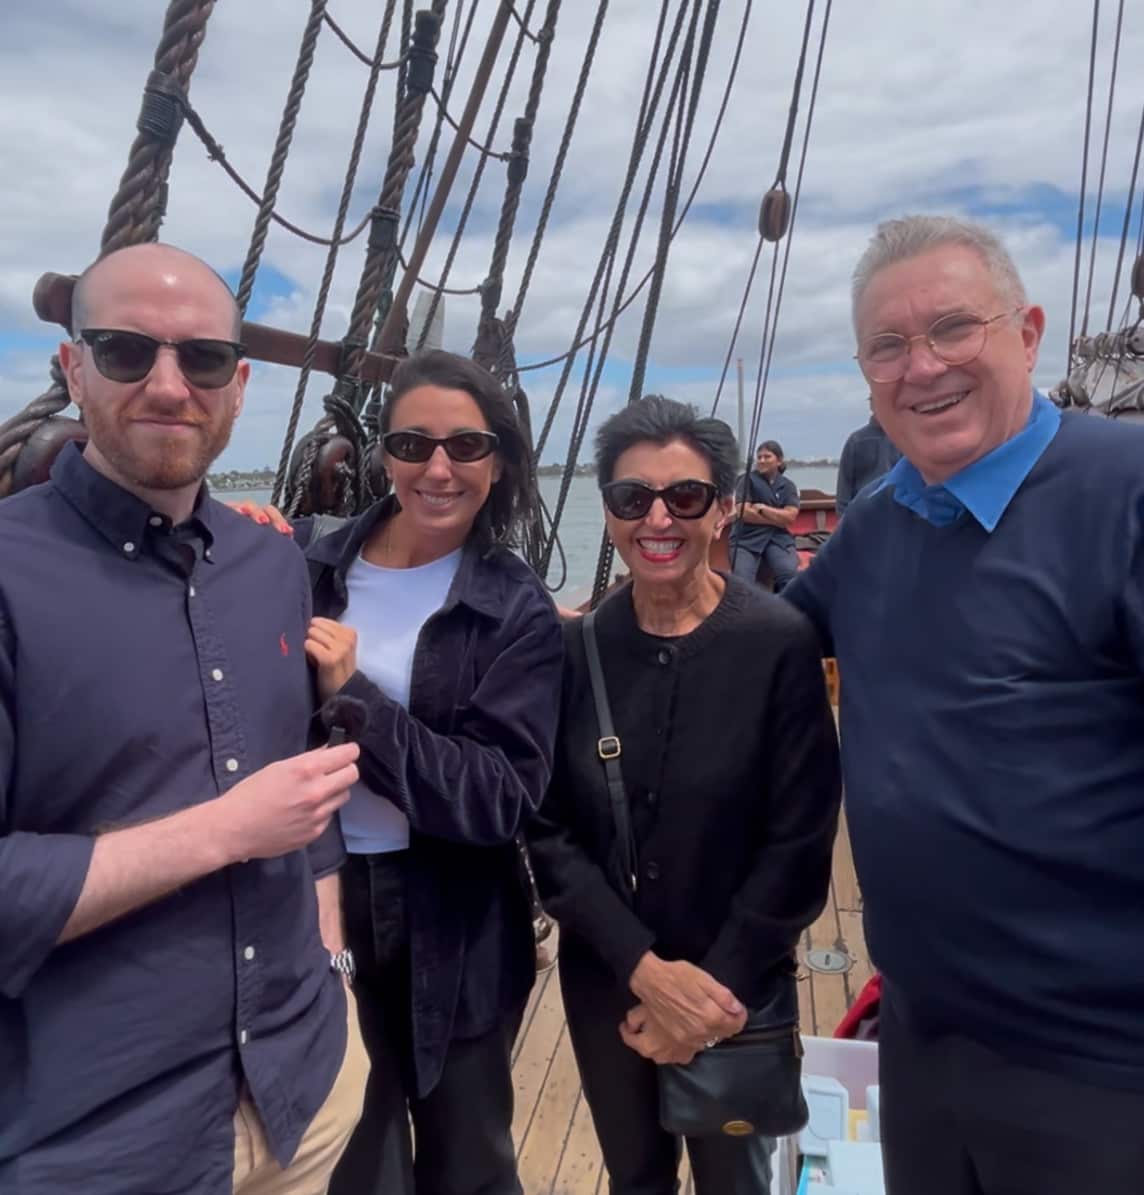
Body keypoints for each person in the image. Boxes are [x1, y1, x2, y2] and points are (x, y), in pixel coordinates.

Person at [784, 215, 1144, 1194]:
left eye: (953, 328)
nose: (922, 367)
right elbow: (761, 646)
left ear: (1026, 333)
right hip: (922, 1034)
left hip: (1099, 1068)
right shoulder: (876, 523)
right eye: (888, 346)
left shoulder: (1123, 496)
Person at [0, 243, 367, 1195]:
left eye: (203, 358)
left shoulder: (271, 564)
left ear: (237, 386)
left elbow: (302, 779)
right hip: (98, 1143)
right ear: (73, 366)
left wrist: (333, 959)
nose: (169, 386)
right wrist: (224, 831)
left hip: (304, 1091)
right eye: (127, 350)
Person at [239, 349, 563, 1195]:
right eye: (413, 444)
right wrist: (231, 535)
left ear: (499, 462)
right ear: (384, 453)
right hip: (319, 903)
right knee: (357, 1156)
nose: (438, 468)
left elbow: (498, 796)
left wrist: (358, 701)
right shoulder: (308, 565)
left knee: (471, 1160)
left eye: (466, 445)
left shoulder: (517, 609)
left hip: (455, 915)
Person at [528, 396, 841, 1195]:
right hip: (611, 980)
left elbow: (800, 840)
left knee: (736, 1183)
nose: (658, 518)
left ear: (723, 508)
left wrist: (707, 995)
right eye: (633, 498)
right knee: (636, 1178)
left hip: (734, 985)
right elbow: (550, 831)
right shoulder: (576, 649)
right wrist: (644, 970)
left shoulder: (778, 643)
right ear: (608, 512)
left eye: (686, 496)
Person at [728, 440, 801, 591]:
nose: (761, 460)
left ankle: (784, 605)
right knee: (742, 582)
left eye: (767, 457)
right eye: (759, 457)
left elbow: (790, 517)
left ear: (779, 461)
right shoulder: (746, 480)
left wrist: (763, 509)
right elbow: (743, 512)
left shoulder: (787, 486)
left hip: (778, 539)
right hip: (746, 539)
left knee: (789, 574)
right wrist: (778, 519)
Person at [833, 399, 900, 513]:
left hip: (896, 513)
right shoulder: (856, 441)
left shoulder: (904, 440)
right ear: (871, 405)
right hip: (862, 514)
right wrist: (845, 519)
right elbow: (843, 490)